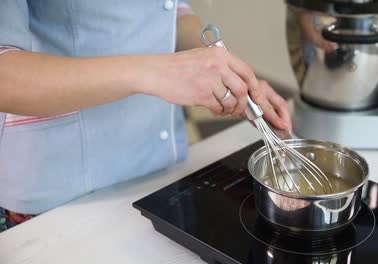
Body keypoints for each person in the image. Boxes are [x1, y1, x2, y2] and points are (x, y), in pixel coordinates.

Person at [0, 0, 291, 232]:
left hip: (158, 171)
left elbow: (168, 11)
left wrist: (225, 75)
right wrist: (157, 71)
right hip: (60, 193)